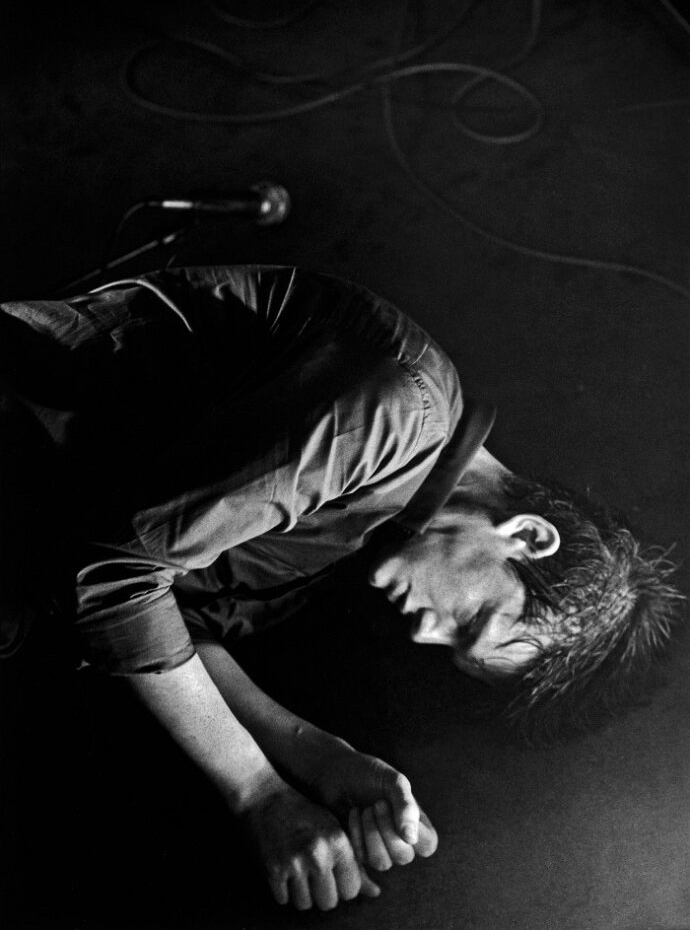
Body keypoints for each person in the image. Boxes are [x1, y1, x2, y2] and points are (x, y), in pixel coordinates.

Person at [0, 264, 681, 912]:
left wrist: (316, 755)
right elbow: (119, 572)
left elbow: (168, 625)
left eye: (454, 647)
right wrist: (257, 791)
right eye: (472, 620)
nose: (426, 633)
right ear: (528, 535)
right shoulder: (400, 416)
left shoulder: (369, 526)